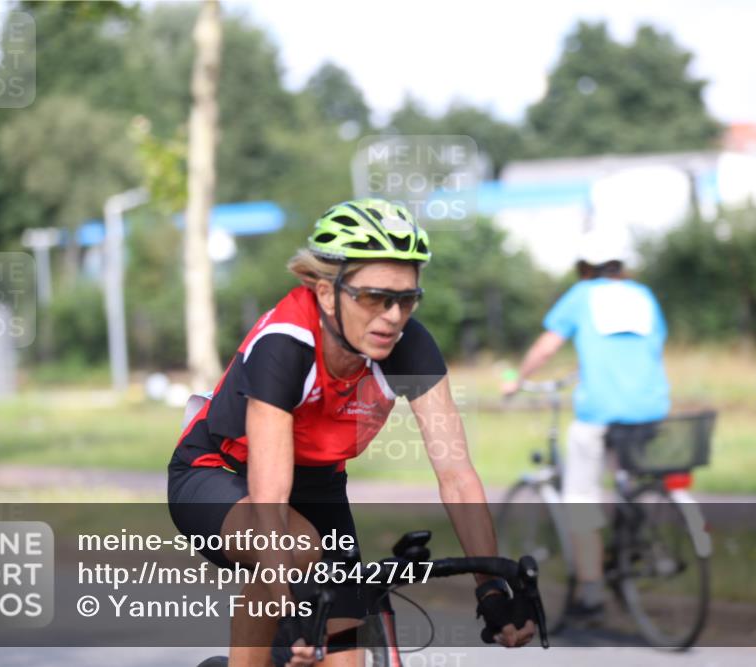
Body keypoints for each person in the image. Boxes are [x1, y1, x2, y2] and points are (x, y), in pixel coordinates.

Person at [169, 199, 535, 667]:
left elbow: (457, 472)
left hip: (318, 485)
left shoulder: (409, 347)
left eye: (406, 299)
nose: (393, 316)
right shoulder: (285, 344)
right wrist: (288, 600)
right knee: (293, 550)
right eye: (375, 297)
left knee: (345, 659)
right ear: (326, 293)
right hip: (219, 473)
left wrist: (492, 587)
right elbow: (270, 493)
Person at [502, 227, 670, 621]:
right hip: (649, 409)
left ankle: (592, 589)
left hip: (600, 412)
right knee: (625, 483)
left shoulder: (582, 296)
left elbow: (546, 346)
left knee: (581, 496)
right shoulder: (644, 296)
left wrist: (517, 380)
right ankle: (631, 544)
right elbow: (648, 348)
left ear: (585, 266)